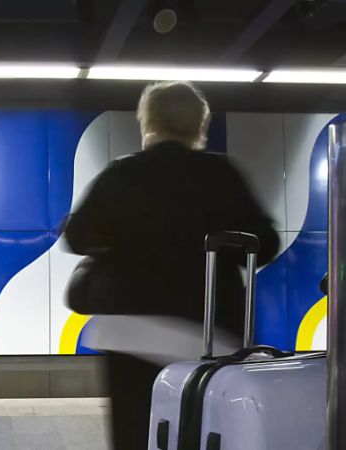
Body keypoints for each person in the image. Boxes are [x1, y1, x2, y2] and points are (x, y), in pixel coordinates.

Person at [62, 81, 279, 449]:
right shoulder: (220, 175)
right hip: (205, 332)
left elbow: (77, 235)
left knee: (135, 433)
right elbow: (265, 245)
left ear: (148, 120)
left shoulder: (121, 174)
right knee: (198, 431)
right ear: (200, 124)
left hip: (129, 331)